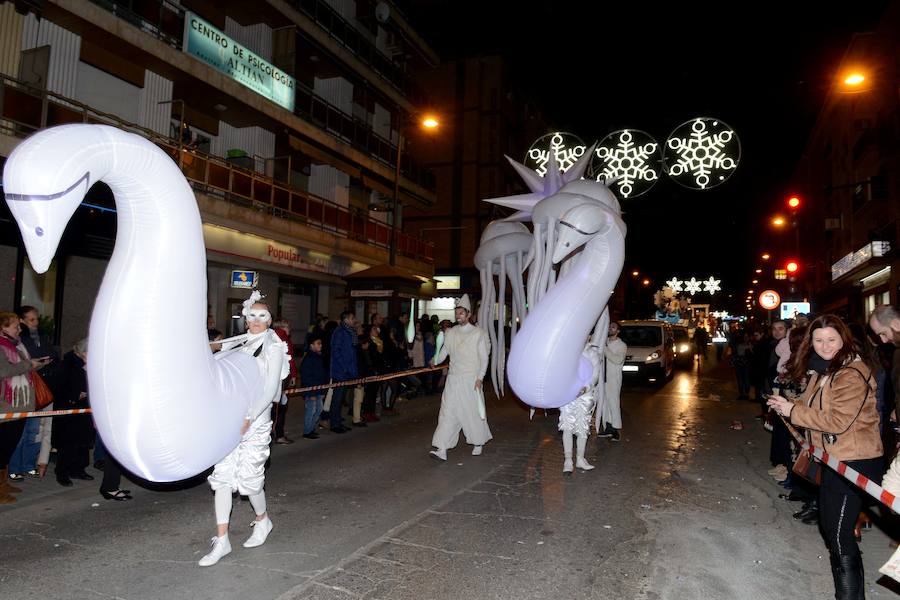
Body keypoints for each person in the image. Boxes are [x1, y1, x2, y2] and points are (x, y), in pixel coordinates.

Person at [767, 315, 882, 598]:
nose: (824, 345)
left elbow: (837, 421)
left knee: (840, 534)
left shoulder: (850, 373)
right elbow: (811, 407)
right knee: (831, 529)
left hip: (855, 461)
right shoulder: (825, 370)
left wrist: (791, 411)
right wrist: (788, 404)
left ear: (844, 339)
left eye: (831, 339)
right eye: (818, 340)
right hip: (833, 459)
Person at [199, 292, 290, 567]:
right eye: (252, 315)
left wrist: (251, 417)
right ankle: (222, 540)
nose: (256, 321)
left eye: (262, 316)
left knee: (251, 483)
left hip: (256, 421)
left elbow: (271, 386)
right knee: (222, 478)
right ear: (245, 318)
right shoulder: (237, 343)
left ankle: (263, 521)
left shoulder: (274, 346)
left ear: (270, 319)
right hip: (231, 420)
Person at [428, 295, 492, 461]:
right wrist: (435, 360)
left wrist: (480, 377)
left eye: (461, 313)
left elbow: (484, 359)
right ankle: (442, 448)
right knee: (448, 412)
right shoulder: (451, 333)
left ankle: (478, 442)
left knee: (472, 413)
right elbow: (443, 353)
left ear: (468, 314)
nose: (458, 316)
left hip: (471, 379)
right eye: (457, 313)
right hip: (453, 379)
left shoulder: (478, 334)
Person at [0, 311, 49, 504]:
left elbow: (20, 368)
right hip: (6, 406)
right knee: (2, 446)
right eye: (15, 326)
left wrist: (34, 365)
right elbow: (4, 371)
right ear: (3, 328)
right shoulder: (2, 346)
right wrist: (29, 364)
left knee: (8, 446)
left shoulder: (14, 345)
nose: (19, 329)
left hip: (18, 405)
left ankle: (3, 483)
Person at [9, 306, 56, 481]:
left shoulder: (39, 337)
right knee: (20, 433)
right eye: (31, 320)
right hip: (20, 392)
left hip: (36, 388)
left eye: (37, 318)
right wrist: (33, 363)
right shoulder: (15, 342)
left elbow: (52, 354)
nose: (36, 323)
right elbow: (16, 365)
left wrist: (41, 362)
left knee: (34, 431)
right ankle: (14, 467)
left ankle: (29, 465)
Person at [50, 338, 97, 488]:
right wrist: (76, 395)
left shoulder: (87, 364)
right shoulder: (67, 365)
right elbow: (58, 387)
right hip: (68, 411)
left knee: (82, 442)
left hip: (83, 409)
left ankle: (78, 469)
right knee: (67, 443)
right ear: (83, 352)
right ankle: (62, 472)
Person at [329, 310, 358, 434]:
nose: (354, 320)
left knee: (341, 398)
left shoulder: (350, 332)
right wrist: (344, 366)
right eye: (352, 318)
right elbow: (336, 351)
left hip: (347, 370)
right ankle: (334, 424)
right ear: (346, 319)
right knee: (337, 398)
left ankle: (338, 422)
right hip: (340, 370)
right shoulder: (340, 332)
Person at [598, 321, 627, 441]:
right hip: (602, 379)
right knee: (604, 404)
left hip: (613, 379)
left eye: (613, 327)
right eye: (609, 326)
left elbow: (617, 360)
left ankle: (616, 430)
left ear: (618, 331)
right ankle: (608, 428)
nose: (610, 328)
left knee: (613, 403)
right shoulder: (605, 343)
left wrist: (604, 349)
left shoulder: (622, 345)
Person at [272, 319, 297, 445]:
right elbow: (289, 358)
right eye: (288, 326)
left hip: (275, 377)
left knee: (275, 407)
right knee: (279, 409)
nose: (290, 329)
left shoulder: (272, 336)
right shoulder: (283, 338)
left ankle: (275, 434)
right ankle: (278, 435)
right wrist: (293, 375)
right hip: (282, 377)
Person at [300, 336, 326, 440]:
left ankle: (311, 428)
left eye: (321, 343)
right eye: (318, 343)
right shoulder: (309, 358)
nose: (320, 345)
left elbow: (321, 374)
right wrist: (311, 392)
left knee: (319, 409)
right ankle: (307, 431)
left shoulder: (319, 357)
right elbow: (306, 376)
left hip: (319, 388)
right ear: (311, 345)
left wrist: (323, 389)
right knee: (311, 410)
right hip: (311, 390)